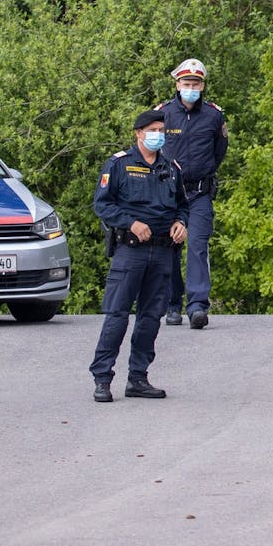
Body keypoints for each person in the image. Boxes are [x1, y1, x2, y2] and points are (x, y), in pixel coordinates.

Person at [89, 109, 188, 403]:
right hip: (130, 251)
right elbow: (102, 205)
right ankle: (102, 378)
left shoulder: (171, 168)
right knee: (117, 315)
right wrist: (130, 222)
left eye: (162, 129)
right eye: (153, 129)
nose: (158, 134)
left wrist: (181, 223)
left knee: (150, 318)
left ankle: (138, 378)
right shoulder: (118, 165)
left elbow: (183, 205)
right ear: (139, 133)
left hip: (162, 252)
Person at [157, 58, 229, 329]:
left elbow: (219, 151)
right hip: (169, 196)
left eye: (196, 83)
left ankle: (197, 306)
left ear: (202, 85)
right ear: (177, 84)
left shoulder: (213, 115)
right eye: (186, 83)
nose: (191, 87)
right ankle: (173, 304)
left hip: (199, 193)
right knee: (170, 248)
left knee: (198, 246)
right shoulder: (164, 114)